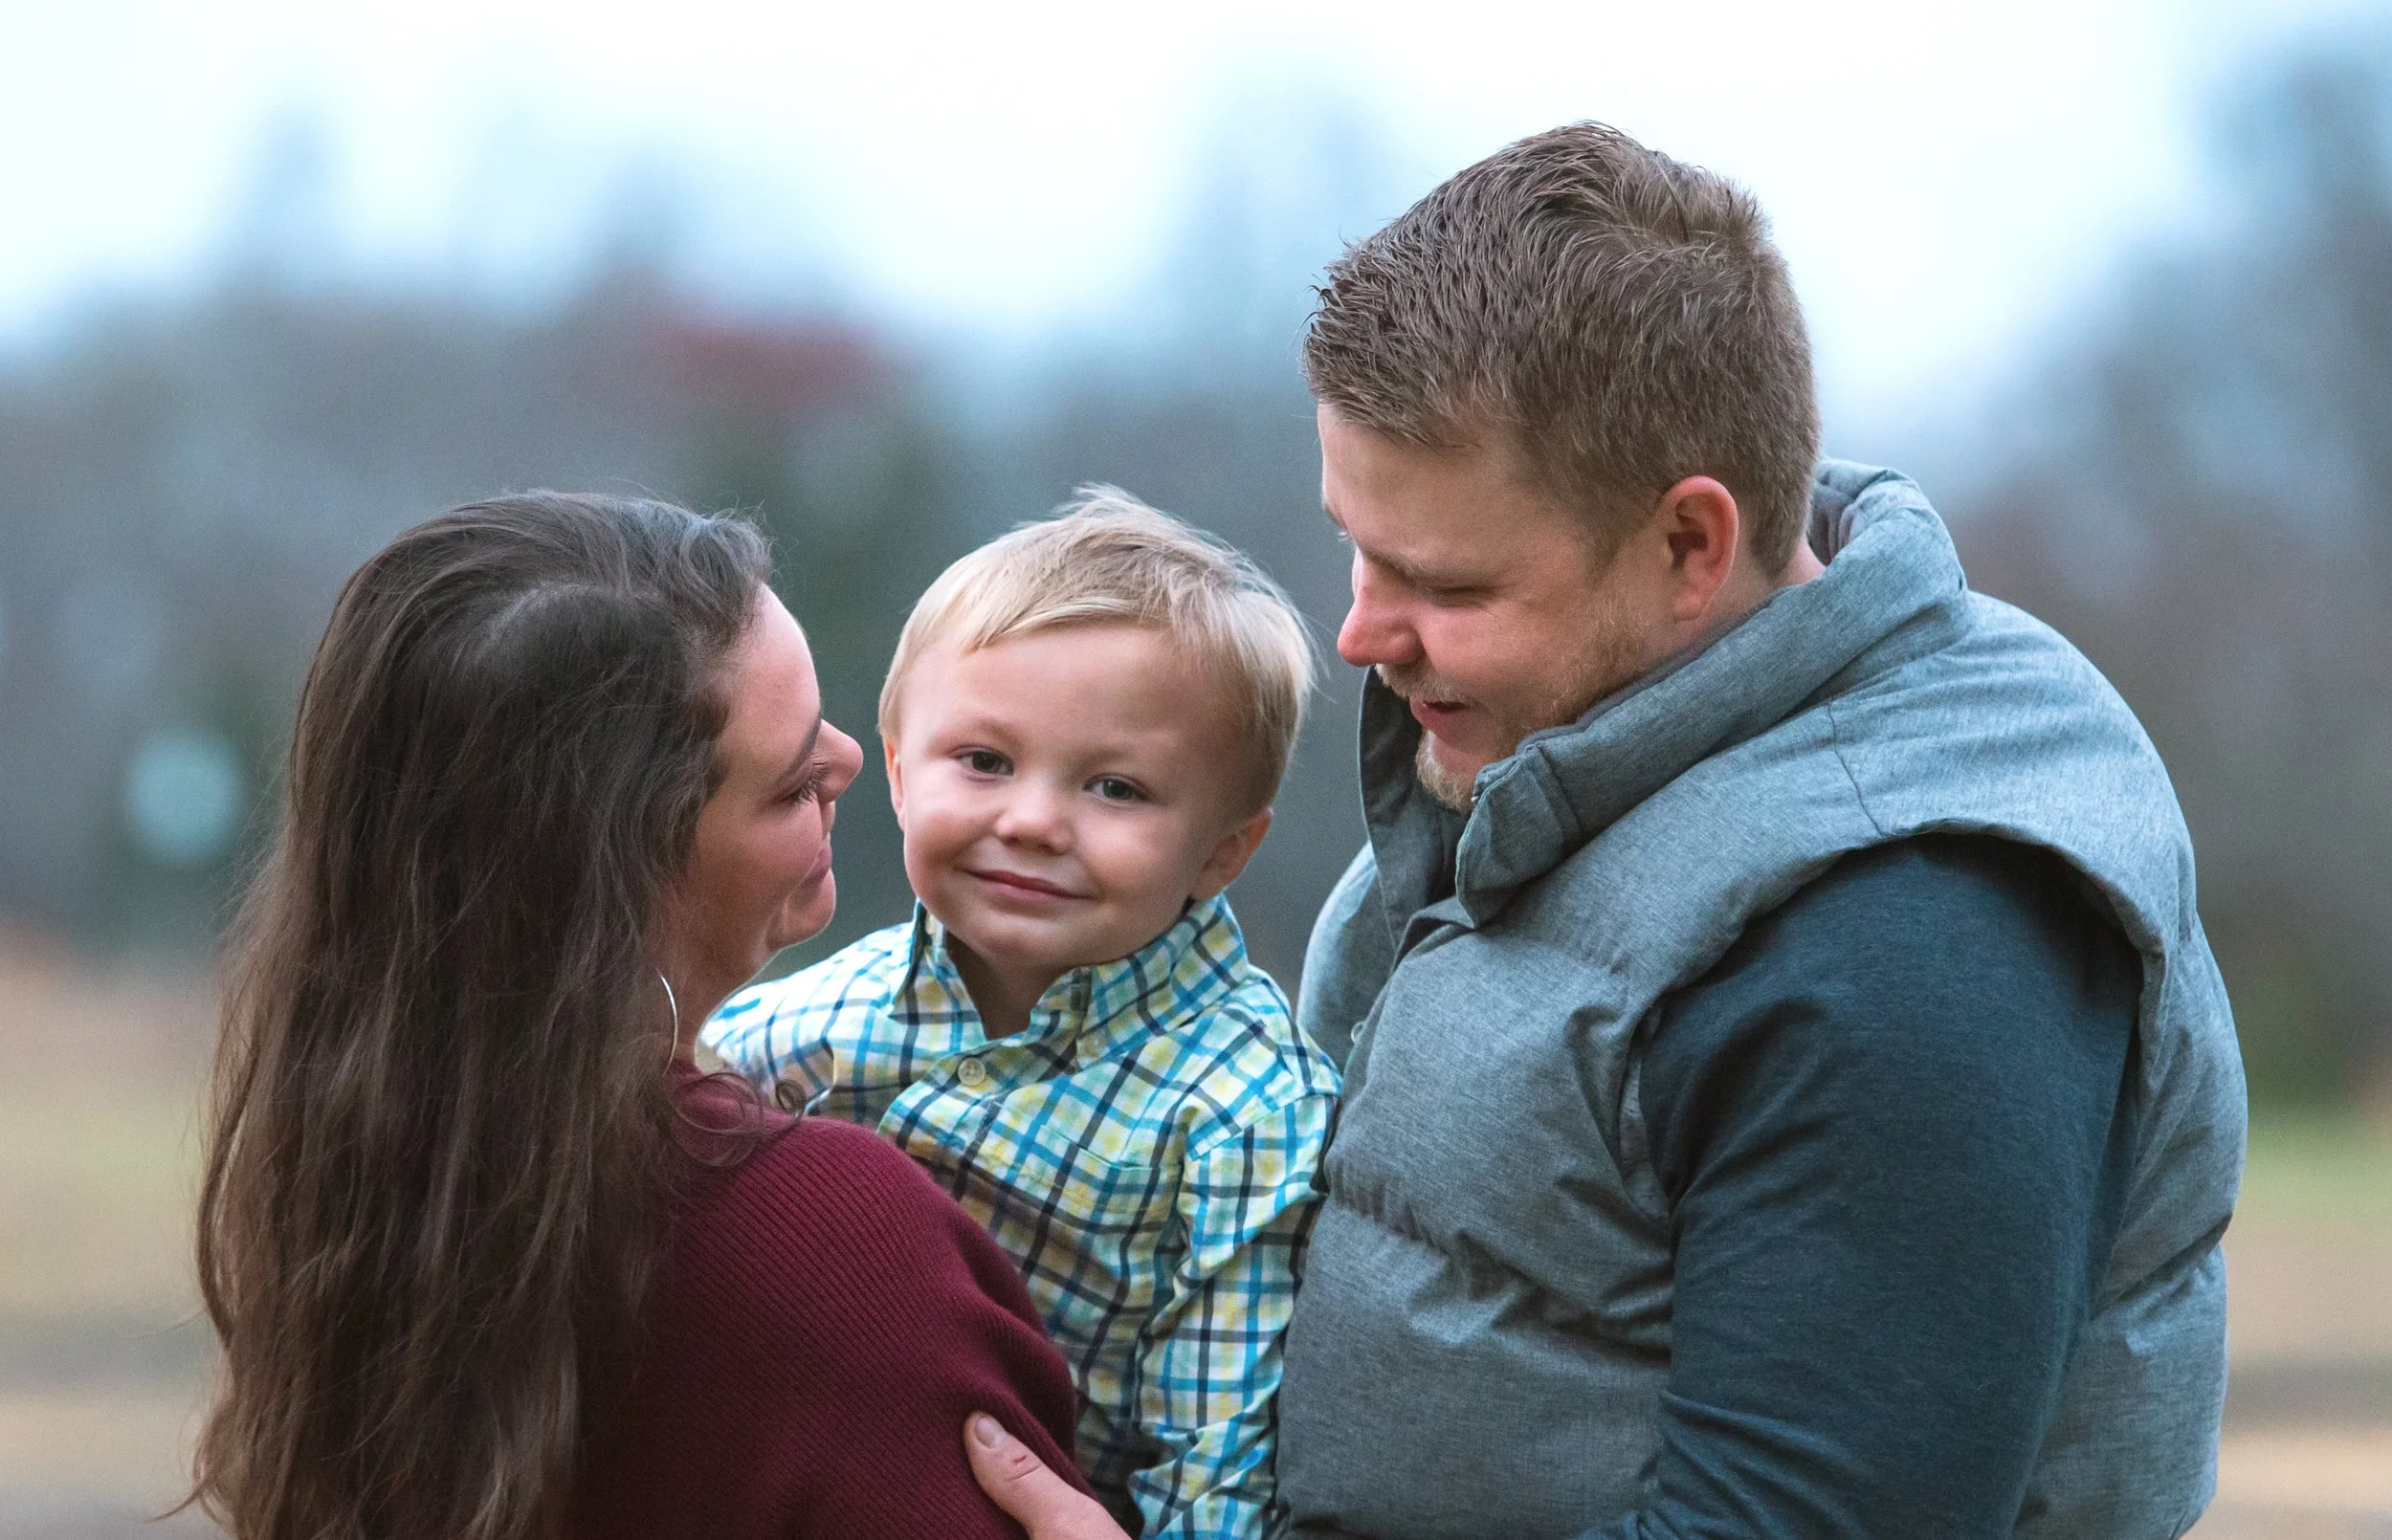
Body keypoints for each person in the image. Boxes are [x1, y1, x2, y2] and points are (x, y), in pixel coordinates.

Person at [965, 122, 2247, 1540]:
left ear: (1691, 544)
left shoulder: (1908, 936)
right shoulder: (1559, 740)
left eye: (1442, 579)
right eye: (1357, 544)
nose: (1357, 631)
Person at [189, 492, 1089, 1540]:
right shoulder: (830, 1247)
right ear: (627, 878)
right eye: (793, 782)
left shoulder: (360, 1192)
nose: (851, 760)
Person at [703, 489, 1340, 1540]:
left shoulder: (1245, 1105)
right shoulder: (811, 1025)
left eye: (1117, 787)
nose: (1034, 819)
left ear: (1225, 849)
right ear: (900, 774)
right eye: (985, 762)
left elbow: (1221, 1446)